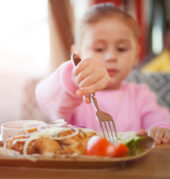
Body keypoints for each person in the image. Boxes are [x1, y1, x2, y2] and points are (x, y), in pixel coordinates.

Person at [36, 3, 170, 144]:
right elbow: (44, 97)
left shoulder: (141, 95)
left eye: (121, 48)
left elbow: (160, 119)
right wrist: (74, 77)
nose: (110, 56)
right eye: (99, 49)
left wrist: (161, 128)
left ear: (136, 54)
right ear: (78, 54)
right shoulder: (75, 95)